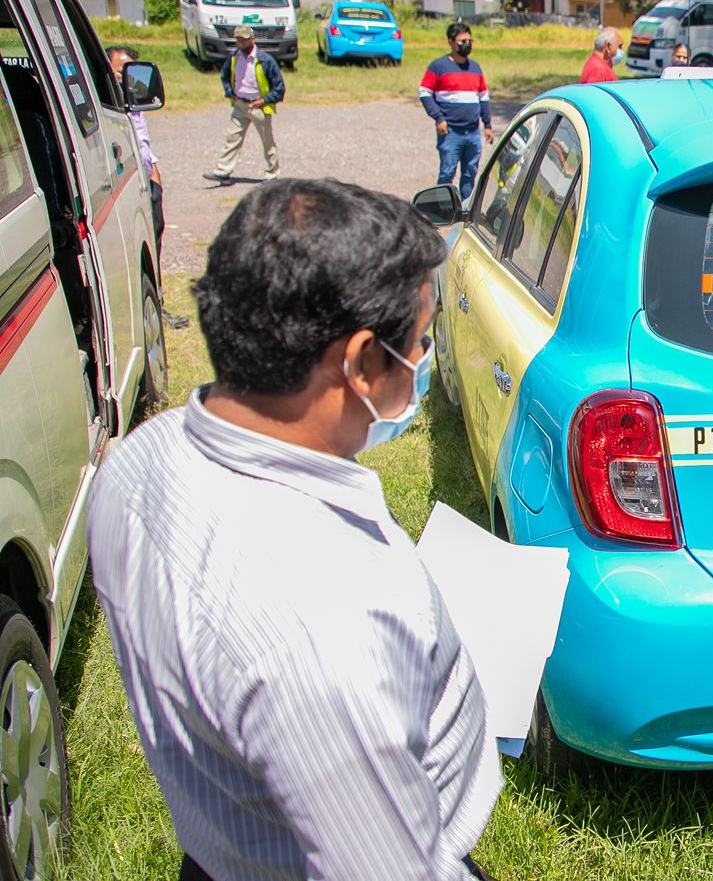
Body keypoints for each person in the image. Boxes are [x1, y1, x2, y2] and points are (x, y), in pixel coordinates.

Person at [88, 179, 501, 881]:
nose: (424, 361)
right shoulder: (322, 639)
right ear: (365, 361)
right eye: (421, 342)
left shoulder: (135, 465)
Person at [106, 44, 188, 328]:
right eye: (120, 71)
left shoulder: (135, 103)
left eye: (131, 71)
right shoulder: (108, 109)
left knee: (153, 246)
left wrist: (156, 179)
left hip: (147, 180)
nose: (126, 79)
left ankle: (156, 306)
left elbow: (144, 146)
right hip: (127, 186)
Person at [419, 23, 493, 203]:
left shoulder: (475, 68)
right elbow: (424, 92)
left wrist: (488, 125)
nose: (466, 44)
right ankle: (439, 207)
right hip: (451, 132)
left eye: (469, 40)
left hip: (473, 132)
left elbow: (483, 97)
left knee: (470, 172)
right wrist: (438, 118)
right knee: (447, 172)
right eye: (462, 41)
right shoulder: (439, 66)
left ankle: (466, 206)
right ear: (451, 42)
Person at [206, 25, 283, 182]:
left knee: (267, 141)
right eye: (238, 40)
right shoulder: (234, 57)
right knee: (232, 138)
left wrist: (264, 100)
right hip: (240, 105)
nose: (241, 44)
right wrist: (230, 93)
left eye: (244, 40)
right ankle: (223, 171)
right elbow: (225, 76)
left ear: (252, 40)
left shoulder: (265, 60)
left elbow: (279, 87)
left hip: (259, 107)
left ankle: (272, 174)